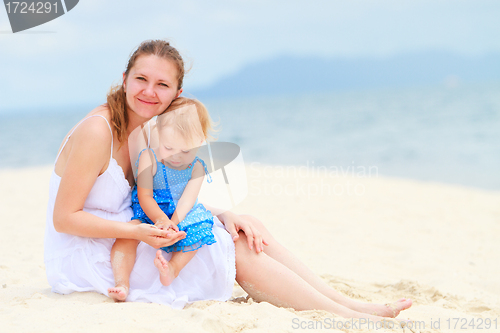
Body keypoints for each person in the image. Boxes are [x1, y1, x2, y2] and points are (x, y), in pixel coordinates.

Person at [44, 39, 412, 319]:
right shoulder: (98, 131)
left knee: (239, 229)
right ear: (124, 80)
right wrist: (140, 233)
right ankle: (346, 318)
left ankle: (347, 303)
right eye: (141, 79)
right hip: (92, 253)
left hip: (128, 232)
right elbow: (64, 219)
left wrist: (223, 214)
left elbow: (160, 197)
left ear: (177, 95)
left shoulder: (146, 133)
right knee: (229, 247)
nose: (149, 92)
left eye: (162, 85)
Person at [110, 97, 218, 295]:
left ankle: (173, 269)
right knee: (127, 234)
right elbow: (145, 195)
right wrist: (161, 219)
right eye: (169, 147)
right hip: (150, 210)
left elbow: (187, 200)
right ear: (158, 134)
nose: (176, 156)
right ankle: (121, 283)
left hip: (180, 212)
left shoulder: (197, 167)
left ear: (201, 141)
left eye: (185, 150)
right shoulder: (148, 158)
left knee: (199, 228)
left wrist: (174, 222)